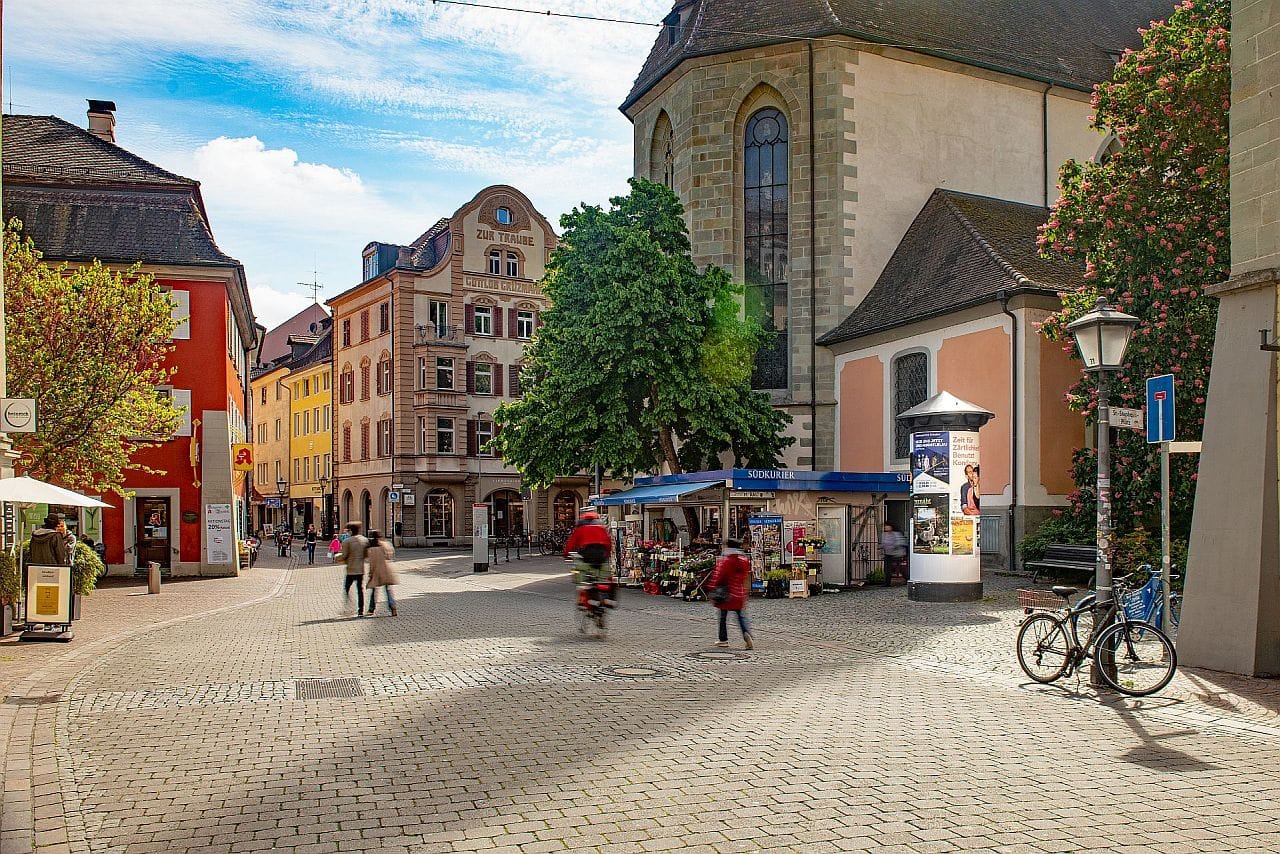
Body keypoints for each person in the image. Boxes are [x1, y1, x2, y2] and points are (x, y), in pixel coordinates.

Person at [708, 537, 752, 649]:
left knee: (723, 617)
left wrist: (712, 587)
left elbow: (719, 576)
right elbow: (746, 577)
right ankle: (746, 633)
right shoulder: (744, 560)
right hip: (739, 593)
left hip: (726, 594)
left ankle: (723, 639)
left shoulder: (726, 561)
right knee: (741, 616)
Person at [563, 510, 615, 602]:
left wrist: (566, 554)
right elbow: (608, 542)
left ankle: (584, 594)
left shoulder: (581, 528)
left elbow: (571, 543)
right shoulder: (602, 528)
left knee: (581, 574)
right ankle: (609, 599)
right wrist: (608, 554)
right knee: (605, 577)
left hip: (586, 556)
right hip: (601, 556)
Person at [334, 522, 370, 616]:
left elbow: (344, 555)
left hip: (351, 569)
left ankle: (349, 607)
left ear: (350, 531)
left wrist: (337, 557)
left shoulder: (347, 542)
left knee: (346, 588)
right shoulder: (364, 540)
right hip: (360, 569)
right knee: (360, 590)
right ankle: (361, 610)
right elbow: (366, 555)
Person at [365, 529, 398, 616]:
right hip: (386, 570)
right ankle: (392, 607)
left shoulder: (371, 549)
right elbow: (390, 555)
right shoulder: (385, 545)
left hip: (376, 571)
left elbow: (372, 563)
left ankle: (371, 608)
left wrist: (370, 574)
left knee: (373, 590)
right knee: (387, 590)